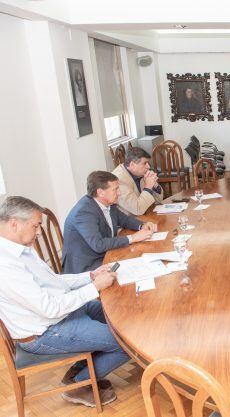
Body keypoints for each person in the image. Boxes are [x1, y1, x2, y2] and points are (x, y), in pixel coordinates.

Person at [0, 195, 130, 407]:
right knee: (126, 340)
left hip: (62, 313)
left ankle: (82, 368)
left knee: (116, 311)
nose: (39, 232)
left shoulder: (20, 249)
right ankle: (79, 385)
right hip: (46, 331)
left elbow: (54, 282)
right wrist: (94, 287)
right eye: (36, 226)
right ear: (14, 224)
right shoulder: (5, 265)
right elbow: (49, 309)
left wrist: (90, 276)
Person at [62, 171, 157, 274]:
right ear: (101, 192)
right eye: (115, 189)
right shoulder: (84, 212)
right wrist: (133, 238)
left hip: (105, 254)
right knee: (137, 268)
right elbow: (98, 245)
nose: (119, 193)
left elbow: (124, 219)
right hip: (87, 265)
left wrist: (142, 225)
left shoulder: (108, 203)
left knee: (141, 260)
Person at [112, 147, 163, 216]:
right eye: (145, 163)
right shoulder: (118, 180)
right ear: (132, 165)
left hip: (145, 215)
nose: (148, 166)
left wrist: (154, 185)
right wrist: (148, 187)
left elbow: (159, 200)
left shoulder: (139, 173)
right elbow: (137, 210)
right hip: (129, 222)